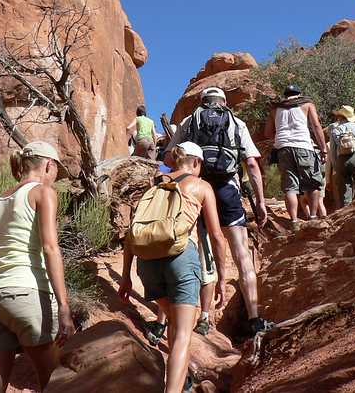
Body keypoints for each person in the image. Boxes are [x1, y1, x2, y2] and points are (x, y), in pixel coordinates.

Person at [119, 142, 228, 393]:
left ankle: (182, 382)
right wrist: (221, 278)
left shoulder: (155, 184)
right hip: (180, 257)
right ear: (196, 163)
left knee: (176, 326)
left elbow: (132, 233)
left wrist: (125, 277)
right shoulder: (200, 186)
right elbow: (216, 235)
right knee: (182, 336)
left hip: (147, 263)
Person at [165, 87, 272, 335]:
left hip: (197, 189)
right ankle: (255, 318)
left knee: (202, 252)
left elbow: (170, 158)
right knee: (241, 254)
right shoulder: (236, 122)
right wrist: (261, 201)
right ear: (223, 102)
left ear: (201, 102)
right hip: (227, 189)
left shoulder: (189, 121)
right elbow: (253, 164)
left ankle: (203, 316)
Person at [0, 141, 76, 393]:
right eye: (55, 173)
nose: (54, 179)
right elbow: (51, 248)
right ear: (48, 165)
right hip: (27, 294)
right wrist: (64, 306)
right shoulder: (43, 192)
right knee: (55, 382)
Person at [264, 85, 327, 228]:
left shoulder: (275, 109)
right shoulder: (307, 104)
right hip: (303, 146)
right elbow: (316, 126)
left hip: (283, 149)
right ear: (299, 94)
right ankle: (312, 217)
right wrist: (323, 148)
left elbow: (267, 133)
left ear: (285, 95)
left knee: (290, 187)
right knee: (313, 183)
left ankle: (294, 221)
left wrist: (281, 137)